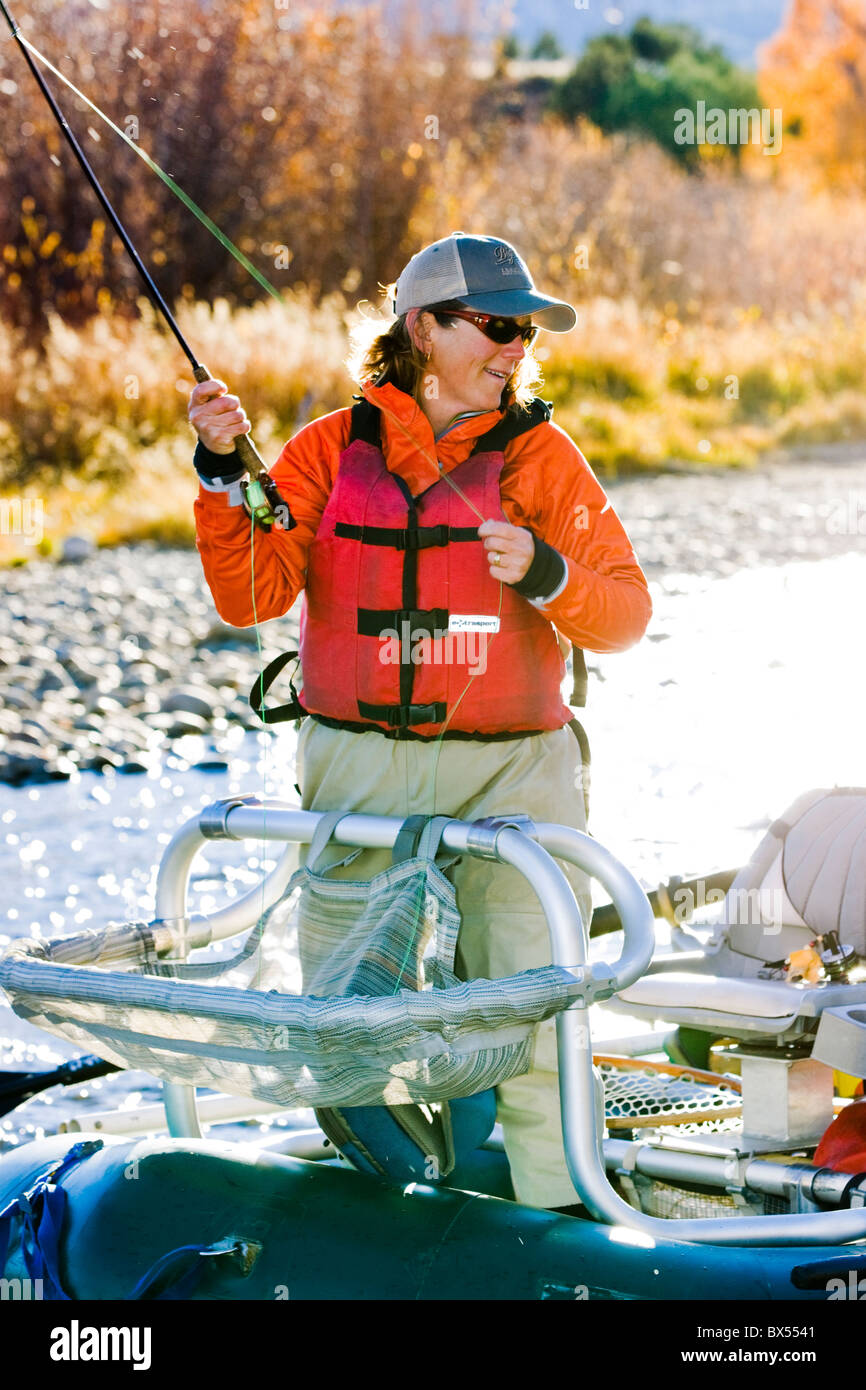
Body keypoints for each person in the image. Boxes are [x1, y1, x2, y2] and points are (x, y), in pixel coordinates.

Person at [189, 232, 652, 1210]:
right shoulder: (323, 451)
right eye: (495, 325)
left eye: (523, 330)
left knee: (530, 1004)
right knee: (348, 1016)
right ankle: (387, 1209)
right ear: (422, 329)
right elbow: (250, 593)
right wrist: (222, 473)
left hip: (510, 781)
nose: (514, 348)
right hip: (354, 773)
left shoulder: (541, 458)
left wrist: (543, 572)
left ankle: (559, 1211)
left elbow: (623, 616)